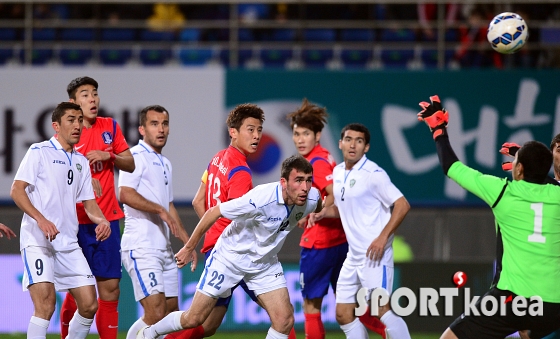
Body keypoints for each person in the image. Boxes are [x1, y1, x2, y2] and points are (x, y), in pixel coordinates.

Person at [417, 95, 560, 339]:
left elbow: (451, 167)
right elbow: (546, 181)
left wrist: (438, 130)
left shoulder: (503, 191)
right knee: (527, 334)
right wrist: (528, 165)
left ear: (519, 169)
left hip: (513, 299)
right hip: (553, 304)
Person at [136, 155, 322, 339]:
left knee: (284, 319)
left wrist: (311, 215)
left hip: (264, 264)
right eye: (298, 180)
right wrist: (188, 247)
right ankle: (149, 333)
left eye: (308, 181)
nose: (305, 187)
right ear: (283, 182)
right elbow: (213, 212)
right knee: (194, 318)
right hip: (229, 259)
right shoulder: (260, 199)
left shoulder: (312, 198)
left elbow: (318, 203)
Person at [165, 103, 297, 339]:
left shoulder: (218, 158)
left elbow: (198, 201)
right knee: (283, 317)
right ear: (233, 132)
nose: (257, 135)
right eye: (250, 129)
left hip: (216, 247)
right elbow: (239, 218)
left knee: (207, 324)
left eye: (259, 129)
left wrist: (214, 231)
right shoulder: (242, 174)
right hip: (236, 253)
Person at [11, 102, 111, 339]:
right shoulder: (39, 151)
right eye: (71, 120)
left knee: (89, 305)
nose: (77, 125)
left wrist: (103, 220)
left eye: (79, 120)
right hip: (38, 241)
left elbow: (89, 204)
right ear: (56, 125)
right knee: (45, 306)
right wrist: (41, 219)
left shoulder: (81, 162)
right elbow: (17, 190)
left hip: (68, 243)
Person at [287, 99, 386, 339]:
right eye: (296, 134)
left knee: (311, 307)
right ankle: (391, 332)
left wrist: (314, 213)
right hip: (341, 242)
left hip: (319, 245)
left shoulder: (315, 164)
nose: (300, 139)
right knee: (352, 308)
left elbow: (334, 195)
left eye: (306, 134)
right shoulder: (327, 158)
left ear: (318, 135)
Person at [308, 123, 411, 339]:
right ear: (340, 143)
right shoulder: (337, 172)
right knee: (343, 314)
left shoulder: (374, 174)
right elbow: (343, 207)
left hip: (375, 256)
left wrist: (382, 238)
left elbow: (402, 205)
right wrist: (322, 213)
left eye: (359, 141)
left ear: (366, 147)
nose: (352, 144)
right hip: (353, 256)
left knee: (382, 310)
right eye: (348, 139)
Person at [60, 76, 135, 339]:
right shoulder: (67, 134)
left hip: (108, 219)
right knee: (79, 292)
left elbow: (130, 163)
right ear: (73, 102)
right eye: (85, 94)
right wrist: (83, 176)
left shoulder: (110, 127)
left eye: (94, 93)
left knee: (111, 289)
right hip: (77, 222)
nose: (92, 99)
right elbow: (58, 177)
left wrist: (110, 155)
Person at [118, 105, 196, 339]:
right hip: (141, 246)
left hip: (164, 249)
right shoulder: (133, 157)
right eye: (154, 124)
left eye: (164, 124)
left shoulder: (165, 163)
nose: (161, 129)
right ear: (142, 129)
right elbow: (125, 193)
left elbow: (169, 205)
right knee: (156, 312)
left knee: (170, 312)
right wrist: (159, 210)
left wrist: (188, 243)